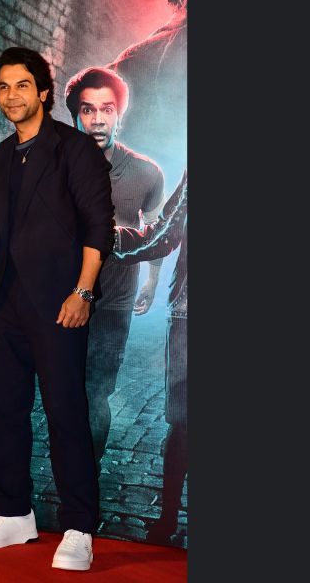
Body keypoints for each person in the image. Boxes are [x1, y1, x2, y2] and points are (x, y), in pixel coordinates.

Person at [0, 47, 114, 572]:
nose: (11, 96)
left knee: (65, 413)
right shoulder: (5, 157)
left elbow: (99, 228)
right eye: (4, 87)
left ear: (44, 92)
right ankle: (14, 513)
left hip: (60, 304)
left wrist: (83, 293)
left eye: (22, 85)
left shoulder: (75, 150)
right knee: (2, 410)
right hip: (8, 303)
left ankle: (79, 526)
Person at [64, 66, 165, 473]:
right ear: (76, 116)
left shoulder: (146, 172)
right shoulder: (54, 167)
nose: (98, 119)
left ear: (119, 115)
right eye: (88, 110)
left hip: (114, 303)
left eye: (107, 109)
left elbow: (156, 234)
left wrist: (152, 280)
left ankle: (85, 470)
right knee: (66, 389)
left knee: (97, 389)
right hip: (64, 299)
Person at [113, 170, 187, 544]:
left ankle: (169, 517)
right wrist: (115, 240)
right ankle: (169, 515)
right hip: (189, 314)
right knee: (183, 420)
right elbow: (166, 232)